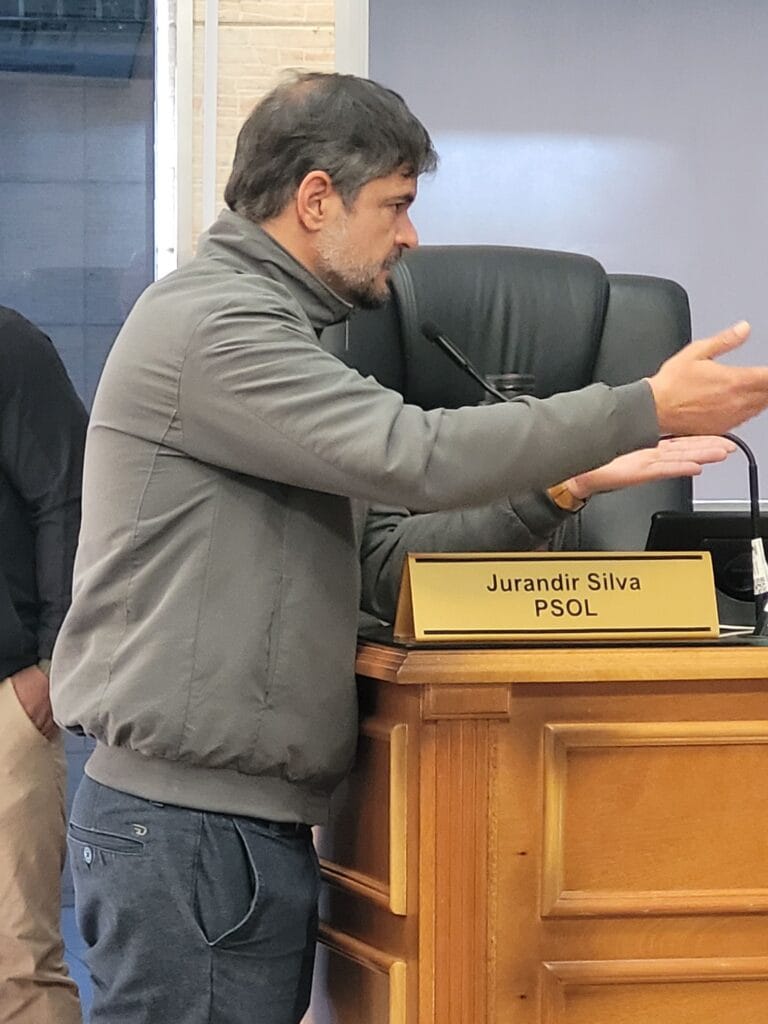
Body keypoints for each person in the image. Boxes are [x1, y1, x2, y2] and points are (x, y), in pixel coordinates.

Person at [50, 72, 768, 1024]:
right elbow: (413, 454)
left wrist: (566, 485)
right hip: (188, 830)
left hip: (232, 828)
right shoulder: (218, 327)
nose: (412, 236)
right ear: (316, 199)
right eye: (395, 204)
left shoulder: (283, 335)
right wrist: (641, 406)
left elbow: (387, 563)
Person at [0, 306, 86, 1024]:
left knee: (20, 968)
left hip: (6, 705)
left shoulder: (10, 346)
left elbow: (70, 496)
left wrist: (54, 666)